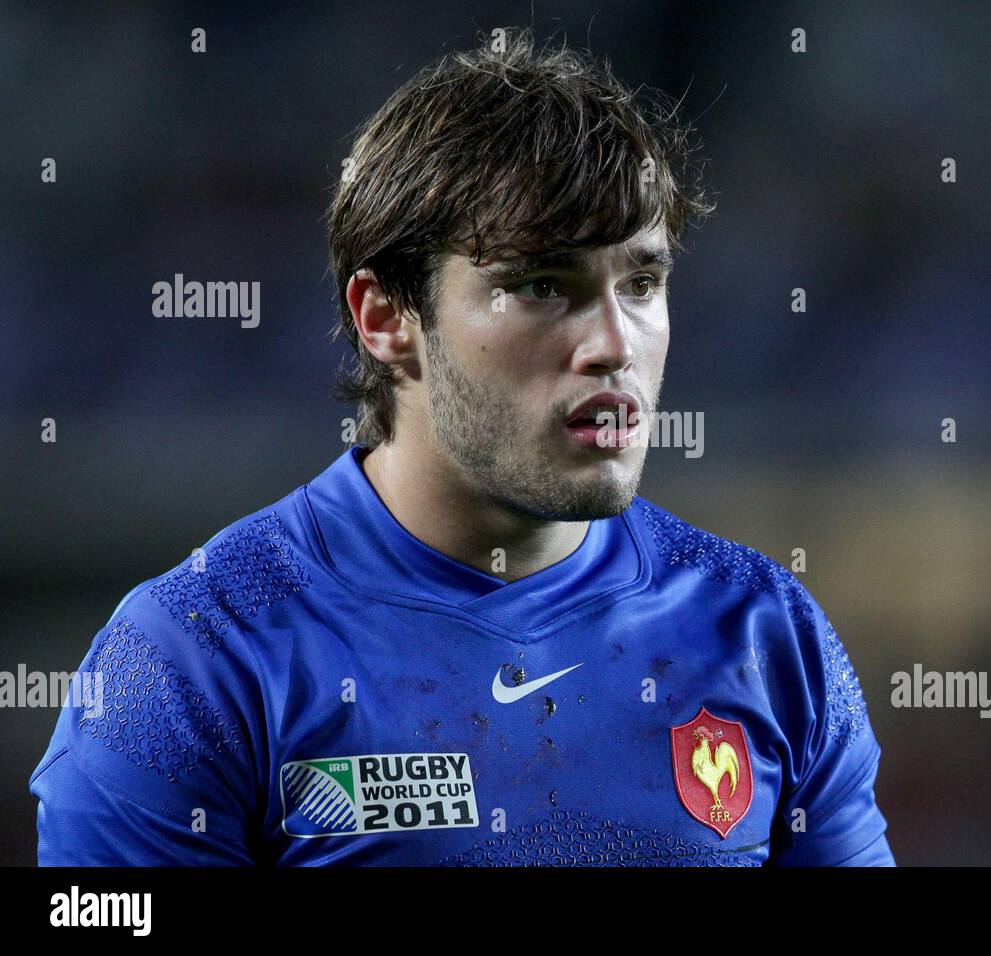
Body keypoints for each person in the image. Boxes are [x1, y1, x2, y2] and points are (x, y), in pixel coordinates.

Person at [31, 27, 894, 866]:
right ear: (385, 318)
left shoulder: (764, 635)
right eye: (540, 285)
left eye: (642, 282)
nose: (614, 344)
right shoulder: (195, 657)